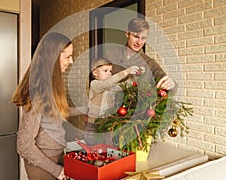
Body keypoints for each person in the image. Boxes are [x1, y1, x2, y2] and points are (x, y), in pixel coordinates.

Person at [11, 32, 73, 180]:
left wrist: (88, 109)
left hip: (57, 156)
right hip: (43, 166)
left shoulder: (51, 87)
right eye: (68, 57)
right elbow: (24, 145)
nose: (71, 61)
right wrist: (56, 170)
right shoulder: (38, 93)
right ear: (54, 57)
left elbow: (54, 114)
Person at [85, 57, 142, 145]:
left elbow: (125, 85)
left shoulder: (111, 86)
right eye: (105, 71)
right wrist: (126, 72)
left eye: (110, 71)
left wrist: (137, 76)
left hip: (108, 122)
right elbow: (106, 83)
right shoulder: (94, 84)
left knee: (108, 146)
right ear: (95, 73)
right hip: (94, 124)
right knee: (93, 147)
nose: (109, 74)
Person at [111, 17, 177, 92]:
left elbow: (166, 83)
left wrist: (172, 84)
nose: (139, 42)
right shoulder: (110, 55)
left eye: (143, 38)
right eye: (136, 36)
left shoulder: (149, 63)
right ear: (127, 34)